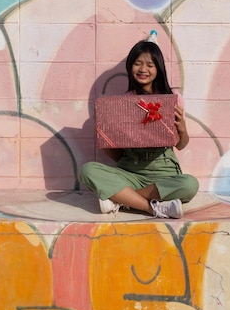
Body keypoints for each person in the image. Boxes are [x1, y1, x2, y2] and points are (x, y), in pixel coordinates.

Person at [80, 34, 199, 218]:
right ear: (130, 67)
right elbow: (115, 154)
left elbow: (181, 145)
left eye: (150, 65)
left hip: (163, 173)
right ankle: (153, 208)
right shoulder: (122, 103)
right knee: (88, 170)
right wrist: (105, 135)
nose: (143, 69)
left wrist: (182, 128)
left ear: (158, 69)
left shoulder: (172, 98)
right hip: (130, 172)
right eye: (138, 63)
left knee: (190, 185)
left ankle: (122, 198)